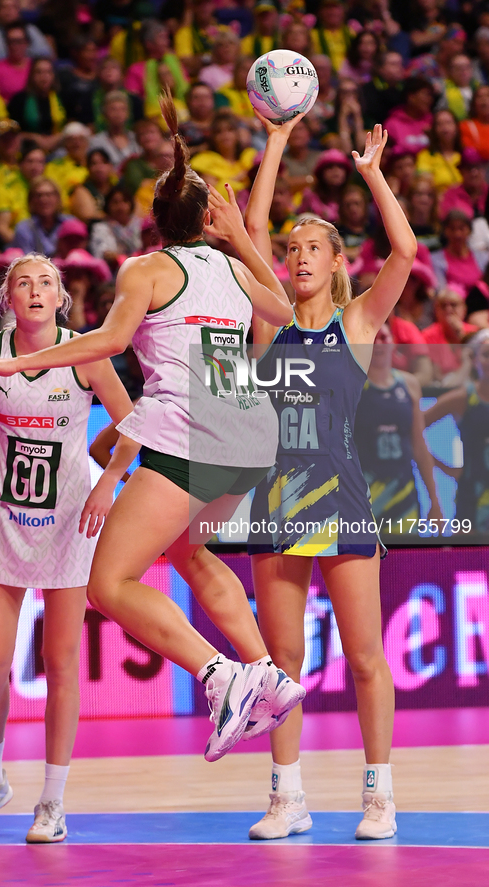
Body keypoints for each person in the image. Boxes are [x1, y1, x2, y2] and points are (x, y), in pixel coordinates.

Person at [0, 92, 306, 786]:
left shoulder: (143, 269)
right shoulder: (235, 266)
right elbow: (284, 308)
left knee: (108, 584)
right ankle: (264, 671)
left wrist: (10, 361)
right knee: (188, 549)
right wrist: (239, 238)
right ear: (208, 217)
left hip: (190, 434)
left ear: (152, 221)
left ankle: (220, 674)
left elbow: (106, 342)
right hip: (248, 442)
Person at [241, 112, 417, 841]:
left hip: (341, 501)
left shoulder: (355, 322)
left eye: (312, 245)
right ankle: (288, 796)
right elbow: (247, 234)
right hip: (277, 499)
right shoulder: (268, 322)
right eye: (291, 248)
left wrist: (373, 174)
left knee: (365, 659)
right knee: (280, 662)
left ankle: (378, 795)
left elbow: (404, 250)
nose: (297, 254)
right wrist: (276, 139)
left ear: (337, 260)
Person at [0, 252, 134, 843]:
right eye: (23, 283)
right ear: (8, 299)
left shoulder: (86, 355)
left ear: (62, 297)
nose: (35, 290)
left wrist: (107, 484)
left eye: (46, 283)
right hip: (1, 524)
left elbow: (135, 426)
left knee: (61, 667)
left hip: (68, 528)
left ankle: (52, 803)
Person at [354, 322, 441, 533]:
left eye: (383, 338)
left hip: (403, 490)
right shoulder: (353, 383)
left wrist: (435, 501)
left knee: (406, 562)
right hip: (365, 491)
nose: (378, 344)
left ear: (393, 343)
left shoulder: (409, 384)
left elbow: (419, 446)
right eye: (372, 339)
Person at [424, 329, 489, 537]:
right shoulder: (463, 398)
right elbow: (413, 430)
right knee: (471, 563)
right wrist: (447, 469)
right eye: (487, 355)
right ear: (475, 359)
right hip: (472, 496)